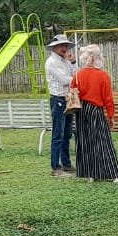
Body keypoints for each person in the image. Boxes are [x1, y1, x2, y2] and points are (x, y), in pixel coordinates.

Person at [70, 44, 118, 183]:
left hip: (81, 111)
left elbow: (72, 91)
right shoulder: (102, 75)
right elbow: (108, 98)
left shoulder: (77, 74)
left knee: (85, 141)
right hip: (96, 110)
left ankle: (91, 174)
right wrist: (111, 116)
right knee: (103, 141)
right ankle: (114, 174)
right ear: (98, 58)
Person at [44, 34, 76, 177]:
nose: (64, 48)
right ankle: (55, 167)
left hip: (67, 98)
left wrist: (73, 62)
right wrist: (75, 79)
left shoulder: (65, 61)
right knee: (58, 134)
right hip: (58, 99)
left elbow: (75, 74)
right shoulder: (51, 62)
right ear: (54, 47)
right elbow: (65, 80)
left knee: (67, 133)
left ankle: (66, 164)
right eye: (61, 46)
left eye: (65, 45)